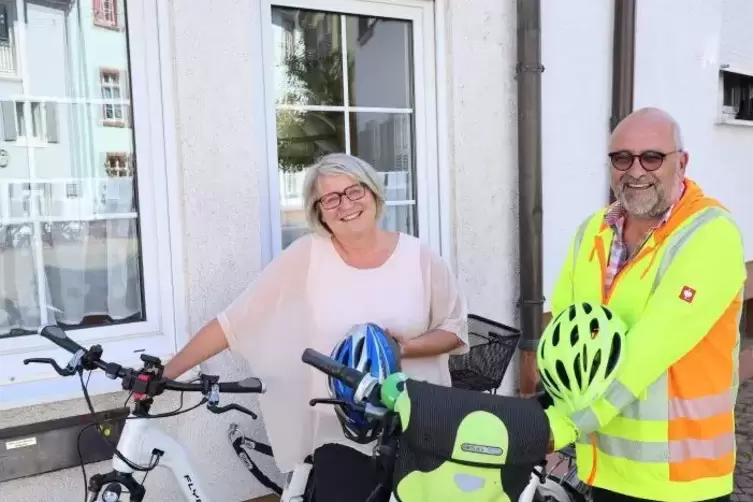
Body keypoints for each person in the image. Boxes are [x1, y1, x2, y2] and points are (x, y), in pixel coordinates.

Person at [162, 152, 469, 500]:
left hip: (417, 424)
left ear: (373, 194)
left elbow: (455, 329)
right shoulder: (308, 256)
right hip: (341, 432)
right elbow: (235, 321)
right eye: (331, 198)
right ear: (318, 210)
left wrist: (405, 348)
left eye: (355, 191)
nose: (346, 205)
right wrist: (167, 372)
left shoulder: (420, 257)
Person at [544, 107, 747, 502]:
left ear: (681, 163)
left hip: (682, 483)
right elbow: (564, 334)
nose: (635, 170)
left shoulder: (710, 235)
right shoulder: (592, 230)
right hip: (603, 471)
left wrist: (562, 425)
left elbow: (646, 352)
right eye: (621, 158)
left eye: (652, 157)